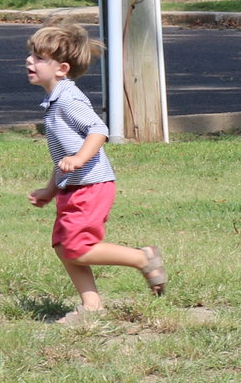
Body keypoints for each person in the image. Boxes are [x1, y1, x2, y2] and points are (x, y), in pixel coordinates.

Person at [24, 21, 165, 320]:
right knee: (64, 246)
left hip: (90, 185)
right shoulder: (55, 101)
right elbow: (63, 155)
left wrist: (79, 158)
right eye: (32, 55)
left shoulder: (68, 99)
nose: (29, 61)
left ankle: (142, 258)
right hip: (74, 186)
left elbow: (98, 130)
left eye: (39, 58)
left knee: (76, 247)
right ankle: (92, 306)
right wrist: (50, 189)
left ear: (62, 69)